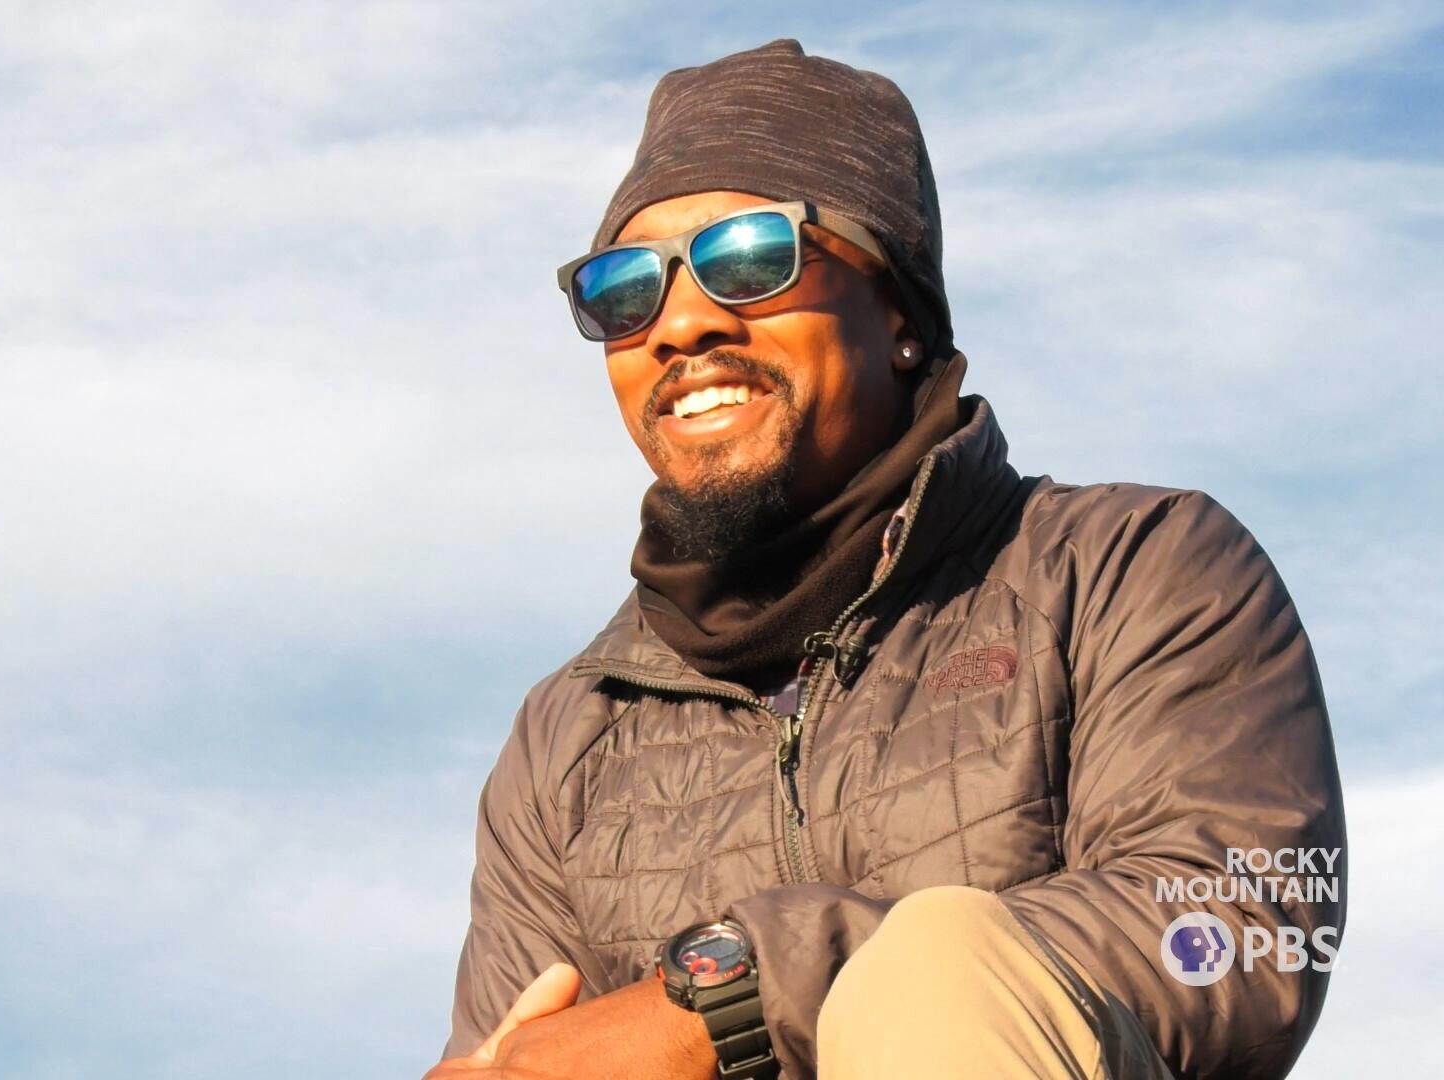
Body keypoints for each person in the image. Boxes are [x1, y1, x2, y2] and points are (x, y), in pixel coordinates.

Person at [429, 38, 1345, 1080]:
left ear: (901, 314)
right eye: (623, 290)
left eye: (750, 258)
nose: (678, 324)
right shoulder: (567, 741)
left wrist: (740, 993)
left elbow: (1240, 935)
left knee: (941, 969)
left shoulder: (1130, 570)